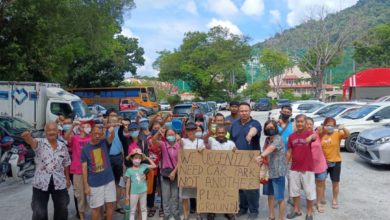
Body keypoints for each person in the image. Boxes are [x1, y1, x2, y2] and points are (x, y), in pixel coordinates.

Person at [21, 122, 71, 220]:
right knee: (39, 212)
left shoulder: (62, 146)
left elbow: (66, 163)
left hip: (59, 182)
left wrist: (68, 179)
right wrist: (27, 137)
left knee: (62, 209)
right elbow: (31, 141)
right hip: (40, 182)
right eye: (49, 130)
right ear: (45, 131)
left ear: (58, 131)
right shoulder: (39, 143)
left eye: (54, 130)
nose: (51, 132)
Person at [230, 102, 262, 219]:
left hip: (252, 160)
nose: (244, 113)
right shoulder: (234, 124)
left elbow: (254, 129)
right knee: (240, 186)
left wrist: (250, 134)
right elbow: (231, 140)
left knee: (252, 187)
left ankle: (254, 210)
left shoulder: (255, 123)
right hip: (237, 160)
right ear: (239, 112)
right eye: (241, 111)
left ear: (250, 111)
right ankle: (243, 208)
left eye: (246, 111)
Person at [81, 124, 116, 220]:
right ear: (91, 133)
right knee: (95, 208)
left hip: (109, 179)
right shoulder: (85, 149)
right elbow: (84, 168)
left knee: (110, 204)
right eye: (95, 133)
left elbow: (111, 137)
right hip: (95, 183)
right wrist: (86, 186)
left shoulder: (104, 142)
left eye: (99, 134)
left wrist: (112, 131)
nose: (97, 136)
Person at [256, 120, 287, 220]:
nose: (270, 129)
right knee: (270, 195)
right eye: (268, 128)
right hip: (268, 172)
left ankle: (280, 218)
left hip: (278, 172)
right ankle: (271, 215)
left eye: (272, 128)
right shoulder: (267, 140)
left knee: (280, 198)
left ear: (276, 128)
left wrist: (261, 156)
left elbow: (271, 148)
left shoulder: (278, 139)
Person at [203, 125, 236, 220]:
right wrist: (210, 132)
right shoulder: (211, 141)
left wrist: (235, 151)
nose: (221, 134)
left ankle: (228, 211)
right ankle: (211, 211)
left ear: (226, 133)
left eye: (222, 133)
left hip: (227, 172)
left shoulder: (231, 143)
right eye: (219, 133)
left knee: (227, 191)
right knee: (213, 192)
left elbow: (236, 155)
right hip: (213, 172)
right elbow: (204, 139)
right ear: (216, 133)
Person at [286, 114, 315, 220]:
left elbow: (314, 137)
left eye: (302, 121)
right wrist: (286, 164)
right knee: (294, 191)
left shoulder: (309, 133)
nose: (299, 123)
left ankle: (309, 212)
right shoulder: (291, 136)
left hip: (307, 168)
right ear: (295, 123)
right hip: (294, 168)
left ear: (305, 123)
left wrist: (310, 137)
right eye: (298, 121)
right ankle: (296, 210)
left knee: (309, 191)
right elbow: (289, 151)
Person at [319, 117, 350, 210]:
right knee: (322, 181)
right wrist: (320, 129)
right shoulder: (321, 134)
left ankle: (335, 200)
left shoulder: (337, 134)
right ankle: (322, 196)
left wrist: (343, 128)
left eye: (332, 125)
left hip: (336, 161)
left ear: (334, 126)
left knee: (335, 182)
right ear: (324, 125)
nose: (329, 127)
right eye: (327, 125)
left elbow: (348, 134)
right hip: (323, 162)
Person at [64, 121, 92, 220]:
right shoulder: (75, 138)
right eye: (87, 125)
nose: (89, 127)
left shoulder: (91, 138)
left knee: (93, 194)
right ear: (80, 127)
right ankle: (82, 217)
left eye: (89, 126)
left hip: (91, 171)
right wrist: (73, 126)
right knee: (80, 196)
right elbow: (66, 137)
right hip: (77, 171)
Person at [151, 128, 180, 220]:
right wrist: (158, 133)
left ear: (176, 135)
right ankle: (166, 215)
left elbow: (181, 161)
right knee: (166, 196)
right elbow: (153, 141)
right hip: (165, 173)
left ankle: (176, 214)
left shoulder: (179, 146)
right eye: (169, 135)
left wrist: (174, 172)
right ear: (166, 136)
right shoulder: (163, 145)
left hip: (176, 173)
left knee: (175, 196)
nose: (171, 136)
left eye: (172, 134)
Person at [180, 122, 205, 220]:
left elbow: (206, 155)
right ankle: (186, 215)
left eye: (193, 129)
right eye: (188, 130)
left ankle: (199, 214)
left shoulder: (201, 142)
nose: (191, 131)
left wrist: (203, 150)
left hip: (197, 172)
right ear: (186, 131)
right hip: (185, 172)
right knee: (184, 195)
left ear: (196, 130)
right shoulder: (182, 140)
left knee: (198, 194)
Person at [125, 148, 157, 220]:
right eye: (136, 158)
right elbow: (128, 183)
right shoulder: (129, 170)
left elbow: (154, 166)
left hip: (143, 191)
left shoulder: (143, 166)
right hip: (133, 193)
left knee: (144, 209)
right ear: (131, 159)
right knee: (132, 210)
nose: (137, 159)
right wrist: (127, 195)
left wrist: (147, 158)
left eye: (139, 158)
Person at [306, 117, 327, 213]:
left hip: (320, 164)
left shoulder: (317, 134)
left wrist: (322, 127)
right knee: (309, 187)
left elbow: (324, 129)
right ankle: (311, 204)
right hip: (308, 167)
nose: (309, 125)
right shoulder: (301, 136)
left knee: (320, 185)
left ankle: (318, 203)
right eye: (307, 123)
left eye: (311, 124)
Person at [106, 113, 126, 214]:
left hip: (118, 157)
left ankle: (117, 204)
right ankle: (108, 206)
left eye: (115, 121)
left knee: (118, 182)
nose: (113, 123)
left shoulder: (120, 130)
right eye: (111, 121)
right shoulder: (105, 130)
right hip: (107, 158)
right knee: (108, 183)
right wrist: (108, 125)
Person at [147, 121, 164, 218]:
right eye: (155, 128)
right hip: (152, 167)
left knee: (162, 188)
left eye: (158, 128)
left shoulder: (164, 139)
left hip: (162, 167)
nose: (156, 130)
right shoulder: (149, 138)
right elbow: (152, 142)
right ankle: (151, 206)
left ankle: (162, 207)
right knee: (151, 188)